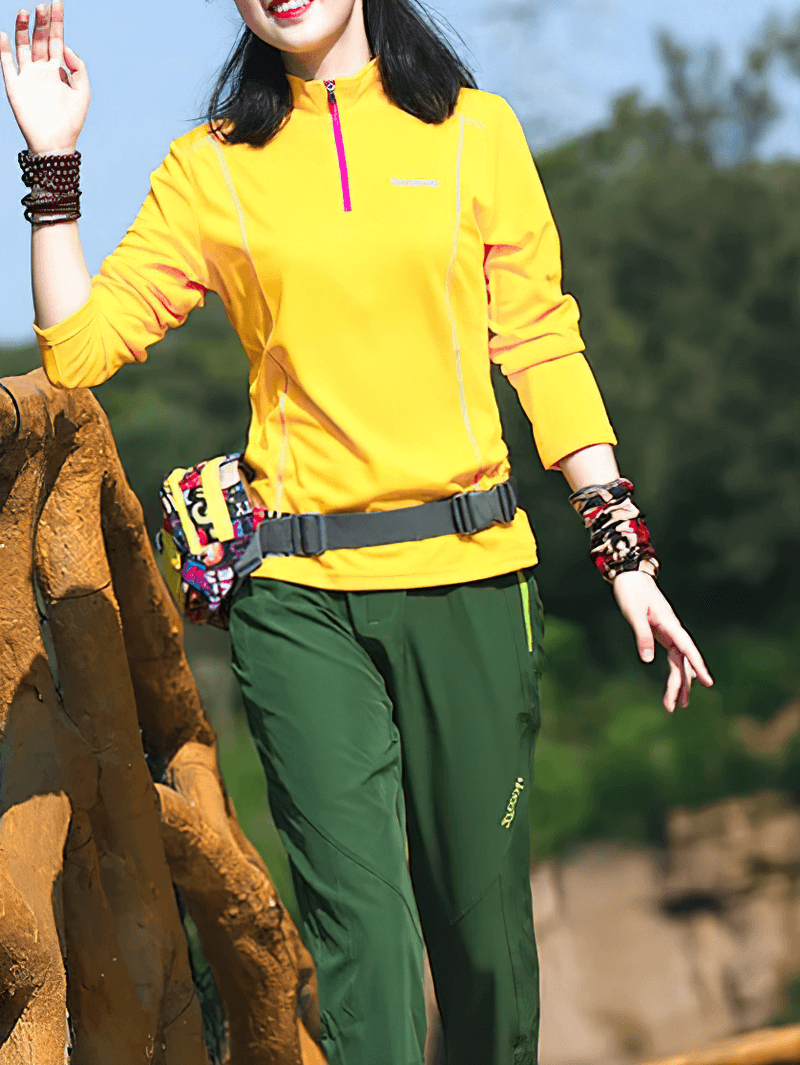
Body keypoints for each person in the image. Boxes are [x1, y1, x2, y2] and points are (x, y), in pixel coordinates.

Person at [0, 1, 714, 1062]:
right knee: (363, 953)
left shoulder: (477, 133)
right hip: (298, 603)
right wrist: (51, 164)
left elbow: (540, 343)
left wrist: (622, 548)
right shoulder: (214, 165)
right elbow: (79, 352)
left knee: (484, 959)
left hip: (472, 582)